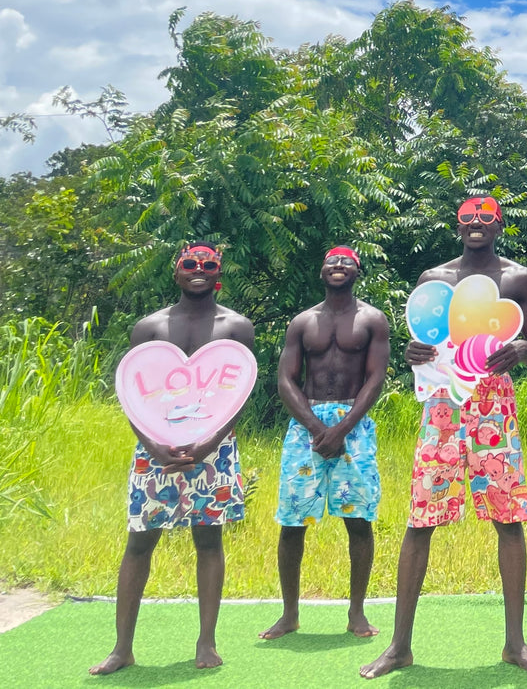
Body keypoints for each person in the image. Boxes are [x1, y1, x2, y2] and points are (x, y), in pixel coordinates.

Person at [361, 196, 527, 678]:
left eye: (486, 217)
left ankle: (515, 643)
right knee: (420, 519)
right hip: (442, 404)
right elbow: (421, 340)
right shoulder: (433, 279)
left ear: (500, 223)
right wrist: (413, 351)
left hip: (494, 405)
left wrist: (523, 350)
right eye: (468, 218)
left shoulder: (518, 278)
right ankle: (400, 646)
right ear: (457, 225)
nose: (476, 225)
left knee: (508, 518)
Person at [90, 243, 255, 675]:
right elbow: (131, 396)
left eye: (209, 264)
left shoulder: (237, 327)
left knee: (208, 541)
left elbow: (238, 397)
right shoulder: (149, 327)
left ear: (219, 270)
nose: (199, 270)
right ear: (176, 272)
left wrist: (209, 443)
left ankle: (206, 642)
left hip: (214, 452)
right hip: (154, 453)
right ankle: (122, 648)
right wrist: (153, 445)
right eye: (189, 264)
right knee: (139, 541)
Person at [260, 246, 390, 641]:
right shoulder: (302, 322)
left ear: (358, 271)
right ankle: (289, 614)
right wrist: (317, 428)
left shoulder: (373, 319)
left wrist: (342, 429)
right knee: (292, 521)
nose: (337, 266)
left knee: (359, 519)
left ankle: (356, 613)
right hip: (307, 425)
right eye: (331, 261)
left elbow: (375, 378)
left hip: (355, 426)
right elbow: (286, 380)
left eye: (346, 262)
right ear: (321, 270)